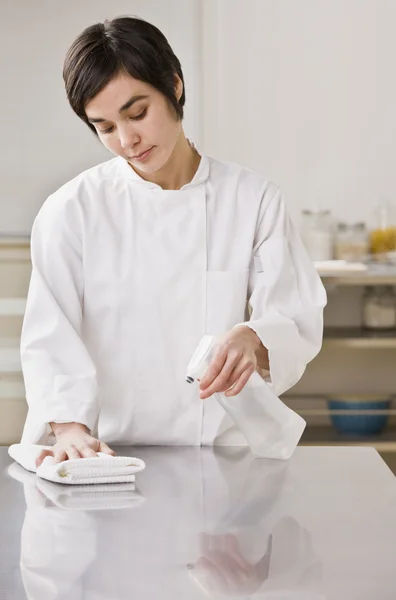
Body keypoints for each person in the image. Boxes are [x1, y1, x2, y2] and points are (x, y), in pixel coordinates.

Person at [19, 16, 326, 466]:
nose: (127, 140)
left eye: (137, 112)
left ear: (175, 86)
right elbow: (51, 335)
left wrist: (253, 336)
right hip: (104, 456)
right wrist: (69, 429)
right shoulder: (71, 210)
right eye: (104, 127)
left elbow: (295, 316)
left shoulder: (252, 199)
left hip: (220, 456)